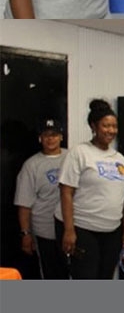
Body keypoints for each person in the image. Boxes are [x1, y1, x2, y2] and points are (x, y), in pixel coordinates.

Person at [54, 99, 124, 279]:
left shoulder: (119, 158)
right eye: (106, 126)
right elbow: (66, 192)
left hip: (111, 230)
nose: (111, 131)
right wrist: (69, 230)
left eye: (114, 126)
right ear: (93, 126)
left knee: (105, 276)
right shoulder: (79, 153)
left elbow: (123, 198)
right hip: (82, 228)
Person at [14, 119, 69, 279]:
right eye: (46, 135)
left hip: (72, 229)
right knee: (51, 275)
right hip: (45, 231)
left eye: (54, 135)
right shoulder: (31, 165)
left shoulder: (72, 157)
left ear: (61, 137)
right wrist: (26, 233)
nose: (50, 139)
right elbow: (24, 204)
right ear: (40, 138)